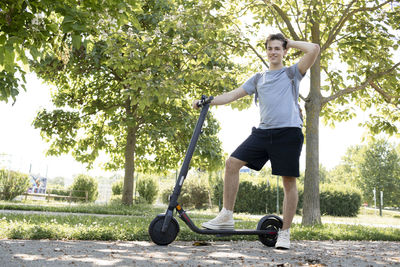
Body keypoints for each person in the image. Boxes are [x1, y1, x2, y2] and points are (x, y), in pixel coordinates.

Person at [192, 33, 320, 249]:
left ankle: (285, 234)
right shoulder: (258, 78)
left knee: (289, 181)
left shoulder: (292, 73)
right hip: (263, 133)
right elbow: (232, 95)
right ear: (266, 51)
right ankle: (226, 216)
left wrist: (289, 42)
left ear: (284, 51)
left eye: (278, 48)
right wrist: (208, 101)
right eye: (270, 48)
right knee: (232, 163)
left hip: (288, 133)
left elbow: (314, 49)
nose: (273, 52)